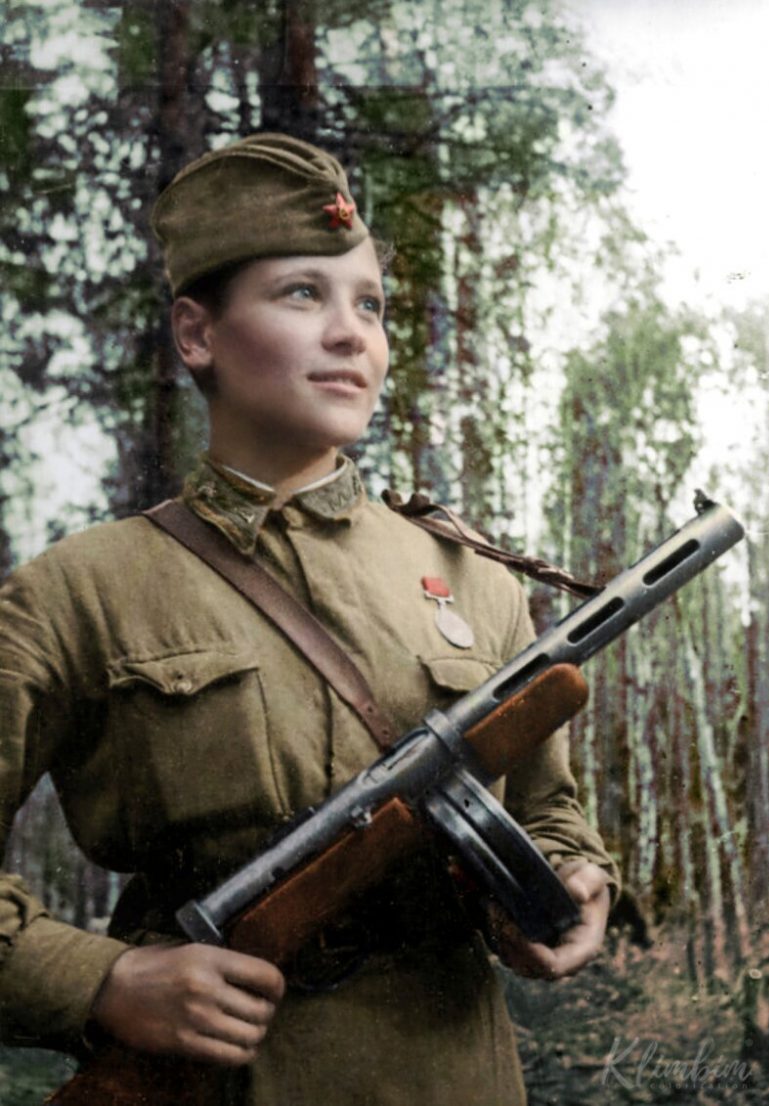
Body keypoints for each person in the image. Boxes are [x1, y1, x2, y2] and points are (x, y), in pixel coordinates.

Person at [0, 134, 617, 1105]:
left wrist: (572, 880)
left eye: (369, 304)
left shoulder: (470, 577)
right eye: (302, 294)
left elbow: (548, 809)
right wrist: (100, 980)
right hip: (217, 1082)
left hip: (453, 1075)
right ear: (197, 334)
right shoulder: (80, 590)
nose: (350, 334)